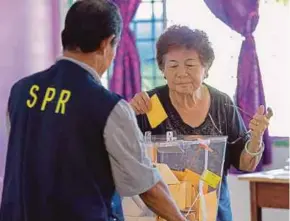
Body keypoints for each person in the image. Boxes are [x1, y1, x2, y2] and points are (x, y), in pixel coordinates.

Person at [0, 1, 186, 221]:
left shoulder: (21, 92)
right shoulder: (109, 107)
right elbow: (148, 187)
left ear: (65, 36)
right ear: (106, 44)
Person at [130, 25, 272, 221]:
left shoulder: (221, 104)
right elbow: (125, 159)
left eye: (190, 65)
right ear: (162, 69)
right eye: (172, 65)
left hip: (214, 214)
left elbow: (245, 164)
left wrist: (256, 138)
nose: (181, 73)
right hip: (163, 215)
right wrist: (128, 112)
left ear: (206, 69)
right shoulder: (150, 105)